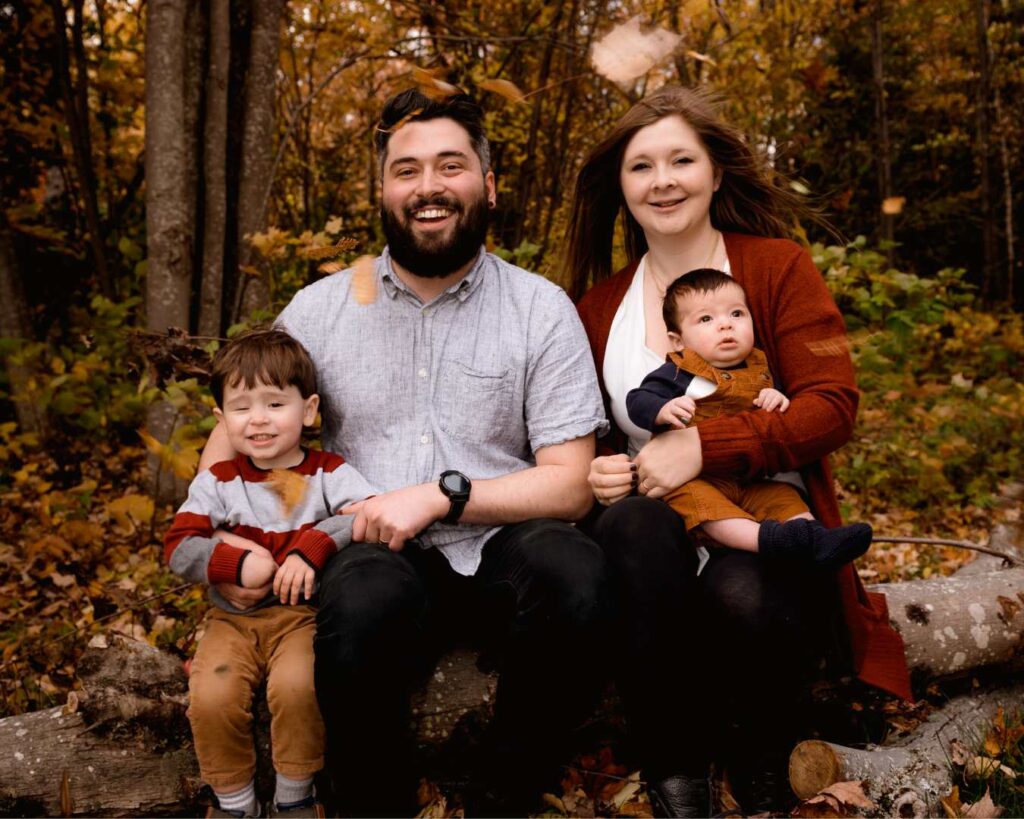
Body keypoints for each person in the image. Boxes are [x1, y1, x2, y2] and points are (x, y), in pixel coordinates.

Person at [197, 89, 610, 817]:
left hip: (498, 538)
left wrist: (443, 494)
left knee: (575, 569)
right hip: (373, 546)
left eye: (449, 166)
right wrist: (218, 538)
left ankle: (503, 794)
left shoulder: (539, 308)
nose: (428, 187)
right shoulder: (322, 309)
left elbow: (572, 483)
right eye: (407, 170)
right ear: (384, 189)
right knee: (358, 598)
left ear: (486, 183)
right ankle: (370, 804)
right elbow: (239, 425)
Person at [567, 85, 911, 817]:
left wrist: (707, 442)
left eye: (681, 160)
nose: (663, 180)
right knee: (632, 524)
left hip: (763, 519)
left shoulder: (780, 267)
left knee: (745, 589)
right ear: (621, 187)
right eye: (641, 166)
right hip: (652, 537)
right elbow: (592, 430)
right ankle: (677, 770)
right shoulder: (597, 307)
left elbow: (833, 403)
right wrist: (599, 463)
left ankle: (759, 764)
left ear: (716, 173)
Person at [165, 329, 375, 819]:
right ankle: (235, 802)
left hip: (302, 618)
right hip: (230, 623)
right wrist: (234, 563)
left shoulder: (329, 472)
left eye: (275, 403)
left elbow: (363, 515)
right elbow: (178, 545)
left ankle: (295, 796)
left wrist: (313, 545)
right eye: (241, 407)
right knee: (212, 694)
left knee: (299, 688)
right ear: (221, 419)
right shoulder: (217, 482)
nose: (258, 419)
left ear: (308, 410)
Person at [626, 267, 873, 569]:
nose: (725, 326)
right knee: (705, 507)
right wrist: (661, 410)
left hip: (751, 478)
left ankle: (816, 539)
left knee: (784, 497)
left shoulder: (761, 368)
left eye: (736, 314)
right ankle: (767, 542)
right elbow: (637, 400)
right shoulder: (679, 372)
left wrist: (777, 398)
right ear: (678, 341)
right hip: (694, 479)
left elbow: (786, 413)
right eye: (706, 319)